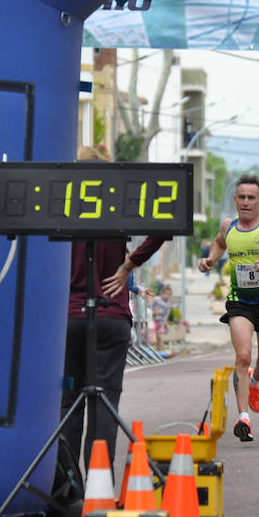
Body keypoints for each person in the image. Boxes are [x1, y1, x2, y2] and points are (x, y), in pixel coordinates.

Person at [59, 146, 168, 474]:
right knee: (104, 406)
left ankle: (67, 489)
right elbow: (162, 227)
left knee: (68, 405)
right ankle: (99, 488)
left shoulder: (60, 205)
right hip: (111, 318)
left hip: (68, 320)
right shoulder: (119, 202)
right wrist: (128, 265)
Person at [198, 174, 259, 442]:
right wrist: (211, 259)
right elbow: (219, 242)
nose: (246, 202)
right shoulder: (229, 226)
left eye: (251, 198)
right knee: (243, 357)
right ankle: (244, 418)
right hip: (240, 302)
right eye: (242, 198)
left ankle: (255, 381)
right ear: (235, 200)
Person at [151, 284, 173, 353]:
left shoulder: (168, 305)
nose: (167, 296)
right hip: (153, 320)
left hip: (160, 322)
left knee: (159, 337)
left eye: (169, 294)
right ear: (162, 293)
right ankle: (149, 350)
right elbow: (150, 307)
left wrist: (161, 324)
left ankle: (159, 351)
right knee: (150, 336)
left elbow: (166, 315)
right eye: (166, 294)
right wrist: (153, 313)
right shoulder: (156, 299)